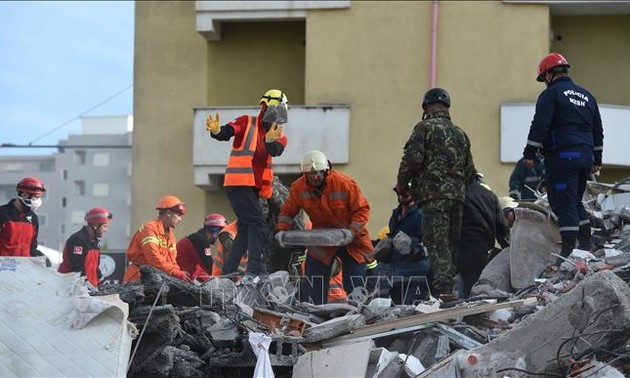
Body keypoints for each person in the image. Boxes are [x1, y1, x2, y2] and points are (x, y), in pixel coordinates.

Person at [397, 88, 476, 299]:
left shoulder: (424, 128)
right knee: (451, 244)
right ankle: (451, 287)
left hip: (433, 197)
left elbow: (412, 159)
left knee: (435, 243)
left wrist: (402, 184)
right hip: (457, 197)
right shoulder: (461, 134)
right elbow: (470, 171)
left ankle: (444, 291)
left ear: (426, 107)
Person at [522, 53, 603, 258]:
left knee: (562, 201)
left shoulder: (551, 95)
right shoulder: (587, 96)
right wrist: (597, 159)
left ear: (549, 74)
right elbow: (597, 130)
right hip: (585, 157)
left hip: (563, 156)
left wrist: (529, 153)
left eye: (544, 78)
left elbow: (540, 124)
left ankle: (568, 250)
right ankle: (585, 243)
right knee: (575, 199)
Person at [205, 89, 289, 277]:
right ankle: (254, 267)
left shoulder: (279, 135)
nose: (276, 115)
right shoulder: (247, 122)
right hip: (238, 184)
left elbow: (275, 150)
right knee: (258, 224)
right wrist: (217, 130)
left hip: (255, 190)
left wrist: (269, 140)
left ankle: (229, 270)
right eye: (272, 109)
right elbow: (227, 132)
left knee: (244, 228)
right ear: (263, 107)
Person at [276, 150, 373, 305]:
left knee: (354, 284)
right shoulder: (298, 188)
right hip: (322, 240)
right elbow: (287, 211)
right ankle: (315, 313)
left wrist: (352, 232)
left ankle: (359, 313)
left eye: (318, 173)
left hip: (352, 241)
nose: (315, 176)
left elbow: (362, 209)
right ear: (304, 174)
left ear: (326, 170)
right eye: (311, 173)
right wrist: (282, 230)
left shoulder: (344, 183)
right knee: (314, 280)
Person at [456, 174, 510, 298]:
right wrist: (508, 250)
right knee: (474, 288)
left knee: (447, 289)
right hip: (482, 250)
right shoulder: (490, 195)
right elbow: (502, 229)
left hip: (459, 247)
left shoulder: (454, 194)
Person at [123, 195, 191, 283]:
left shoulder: (170, 235)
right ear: (169, 213)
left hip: (154, 278)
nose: (180, 220)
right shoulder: (150, 228)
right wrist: (174, 272)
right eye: (178, 215)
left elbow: (172, 260)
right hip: (137, 278)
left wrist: (177, 272)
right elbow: (153, 257)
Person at [384, 185, 429, 304]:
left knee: (412, 313)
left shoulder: (421, 215)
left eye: (407, 191)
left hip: (416, 277)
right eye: (401, 192)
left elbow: (430, 246)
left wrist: (412, 250)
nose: (403, 194)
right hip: (396, 278)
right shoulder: (396, 215)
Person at [58, 208, 113, 287]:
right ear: (95, 226)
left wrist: (102, 282)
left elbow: (95, 268)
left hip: (89, 288)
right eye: (105, 226)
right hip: (72, 288)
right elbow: (77, 267)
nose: (106, 230)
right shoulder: (77, 240)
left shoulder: (95, 242)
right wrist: (86, 285)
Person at [0, 177, 48, 259]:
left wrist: (43, 259)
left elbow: (32, 248)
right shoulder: (2, 213)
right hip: (3, 269)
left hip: (24, 268)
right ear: (25, 195)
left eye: (39, 197)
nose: (38, 201)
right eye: (36, 197)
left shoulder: (33, 218)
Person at [176, 213, 228, 281]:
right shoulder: (201, 241)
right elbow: (210, 268)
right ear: (214, 230)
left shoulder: (197, 238)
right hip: (180, 279)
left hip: (181, 277)